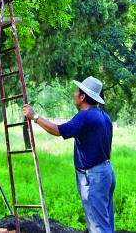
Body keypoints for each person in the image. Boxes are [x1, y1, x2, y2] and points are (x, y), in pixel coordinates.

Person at [23, 76, 115, 233]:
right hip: (106, 172)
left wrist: (35, 117)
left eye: (76, 91)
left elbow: (58, 130)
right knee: (105, 221)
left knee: (98, 226)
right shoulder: (104, 116)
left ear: (83, 96)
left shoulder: (84, 116)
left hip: (93, 177)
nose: (74, 93)